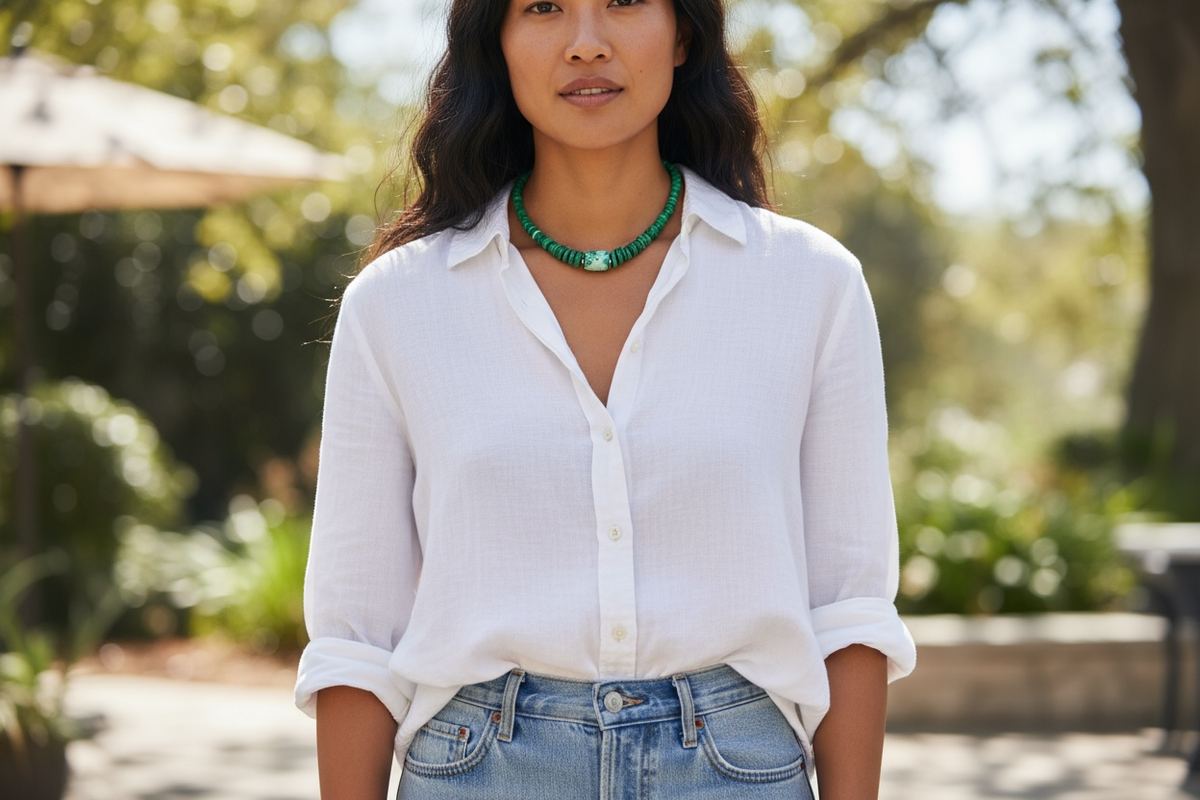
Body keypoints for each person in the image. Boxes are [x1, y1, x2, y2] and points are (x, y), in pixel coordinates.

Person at [294, 0, 917, 797]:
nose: (587, 45)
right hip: (479, 769)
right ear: (500, 42)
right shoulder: (397, 306)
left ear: (684, 31)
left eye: (622, 1)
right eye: (544, 7)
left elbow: (850, 606)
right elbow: (356, 633)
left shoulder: (811, 285)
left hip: (740, 769)